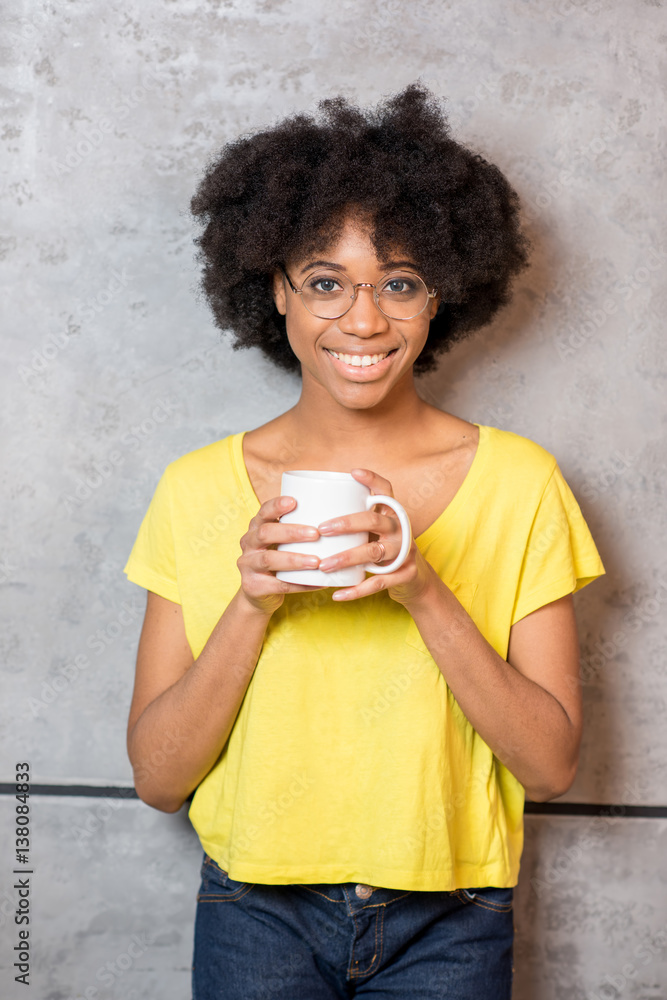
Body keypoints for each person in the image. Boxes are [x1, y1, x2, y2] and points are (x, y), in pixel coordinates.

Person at [124, 84, 605, 999]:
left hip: (455, 918)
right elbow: (157, 778)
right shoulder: (195, 489)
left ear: (439, 298)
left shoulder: (520, 483)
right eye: (324, 281)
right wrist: (252, 601)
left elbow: (547, 767)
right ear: (275, 289)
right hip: (253, 908)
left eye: (398, 282)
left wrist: (422, 586)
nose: (363, 319)